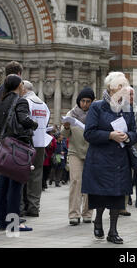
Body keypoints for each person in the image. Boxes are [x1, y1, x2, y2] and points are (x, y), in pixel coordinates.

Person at [82, 72, 137, 244]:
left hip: (120, 161)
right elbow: (89, 133)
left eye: (125, 86)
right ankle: (98, 219)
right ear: (111, 88)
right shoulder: (97, 107)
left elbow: (135, 133)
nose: (124, 89)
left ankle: (113, 231)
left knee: (117, 198)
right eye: (120, 86)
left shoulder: (128, 109)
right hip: (100, 159)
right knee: (101, 195)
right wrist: (110, 135)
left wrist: (127, 136)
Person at [0, 74, 37, 232]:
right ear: (19, 85)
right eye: (22, 84)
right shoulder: (20, 100)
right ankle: (14, 223)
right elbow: (24, 120)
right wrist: (34, 123)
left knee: (3, 185)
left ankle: (2, 222)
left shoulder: (2, 100)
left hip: (5, 145)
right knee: (16, 185)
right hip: (18, 146)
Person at [0, 61, 23, 222]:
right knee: (11, 181)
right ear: (19, 76)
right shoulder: (15, 97)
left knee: (1, 178)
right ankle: (10, 218)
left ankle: (0, 215)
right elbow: (17, 121)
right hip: (11, 143)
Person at [61, 87, 95, 226]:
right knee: (75, 181)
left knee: (90, 183)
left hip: (92, 152)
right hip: (75, 151)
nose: (85, 104)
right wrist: (67, 127)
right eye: (82, 101)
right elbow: (65, 135)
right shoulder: (71, 113)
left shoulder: (95, 113)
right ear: (78, 101)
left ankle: (87, 213)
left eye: (88, 101)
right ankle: (74, 214)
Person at [21, 80, 50, 217]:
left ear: (24, 90)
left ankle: (20, 206)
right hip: (41, 143)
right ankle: (34, 207)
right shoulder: (43, 104)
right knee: (37, 175)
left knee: (21, 173)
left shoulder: (26, 102)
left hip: (28, 143)